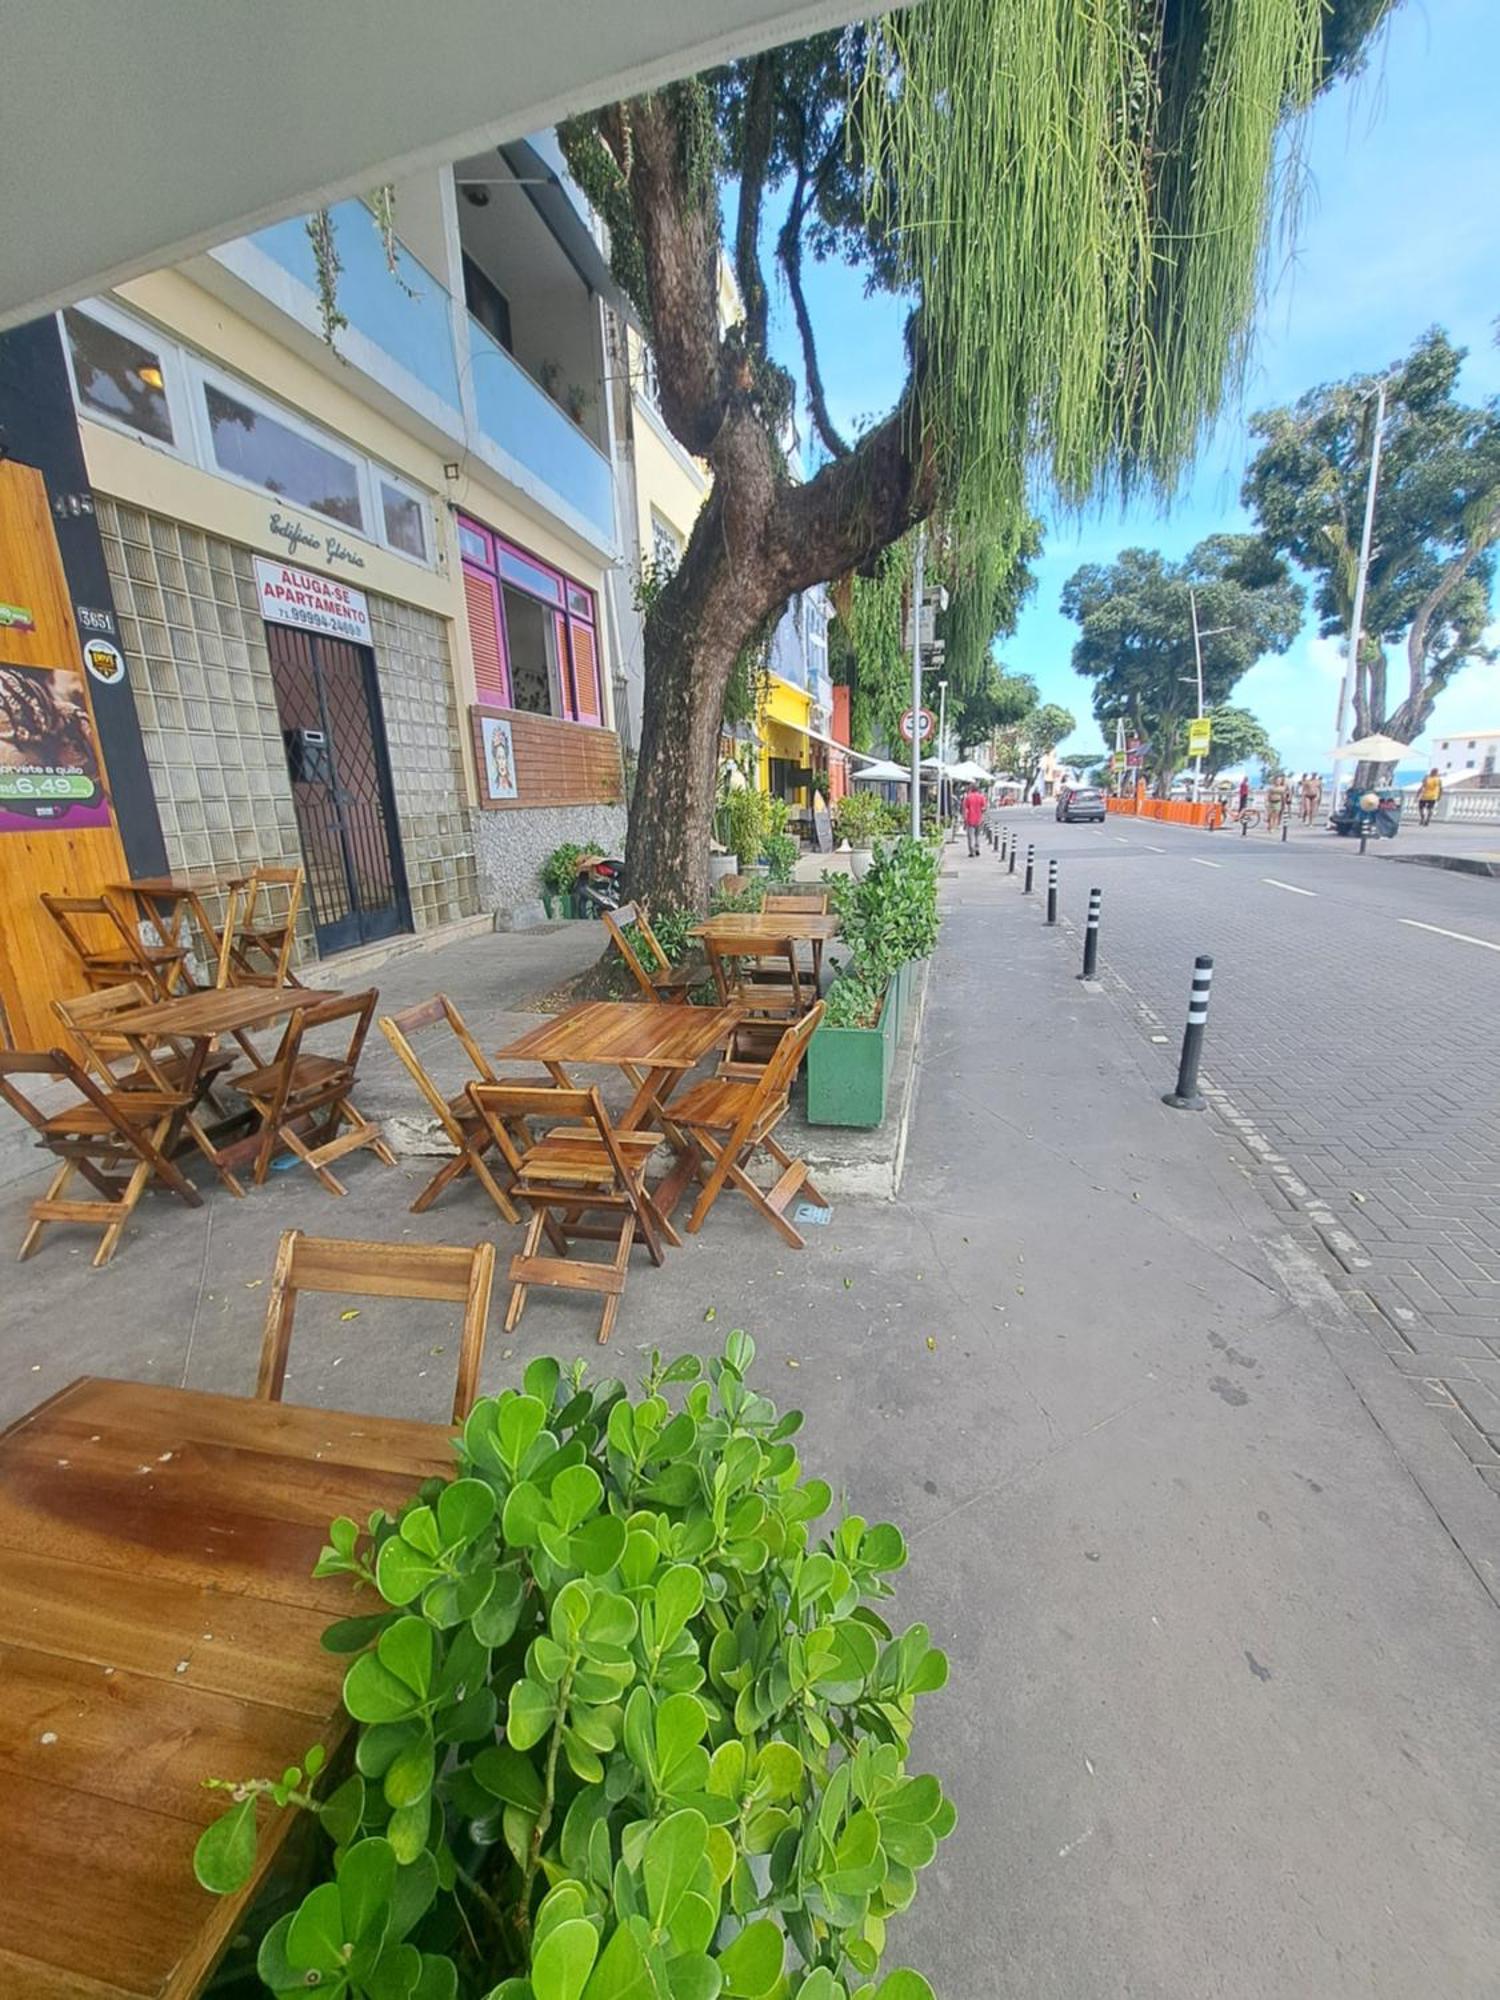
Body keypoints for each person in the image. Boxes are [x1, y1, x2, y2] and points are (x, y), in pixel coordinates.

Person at [961, 784, 987, 856]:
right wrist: (981, 812)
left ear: (971, 789)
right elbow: (984, 808)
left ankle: (971, 851)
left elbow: (965, 809)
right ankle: (977, 848)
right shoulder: (981, 797)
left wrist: (964, 819)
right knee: (977, 835)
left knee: (970, 836)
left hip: (970, 819)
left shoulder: (968, 797)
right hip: (979, 819)